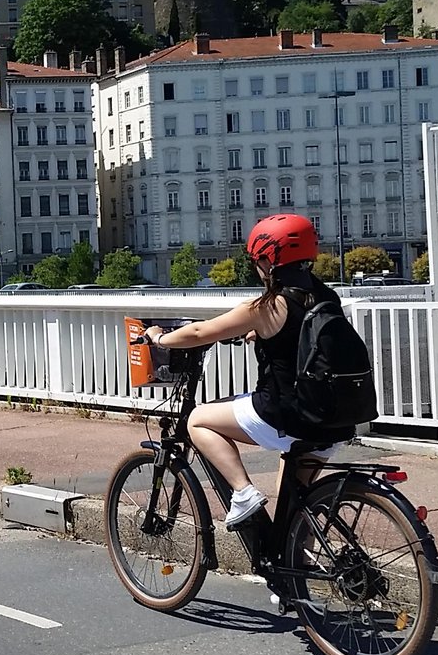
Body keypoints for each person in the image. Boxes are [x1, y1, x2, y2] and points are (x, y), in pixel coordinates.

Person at [144, 214, 353, 529]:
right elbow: (305, 336)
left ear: (269, 262)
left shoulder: (266, 307)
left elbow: (199, 333)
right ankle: (297, 567)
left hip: (286, 415)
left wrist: (159, 337)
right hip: (335, 416)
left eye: (257, 261)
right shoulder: (327, 297)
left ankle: (242, 493)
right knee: (295, 512)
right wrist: (262, 334)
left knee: (196, 420)